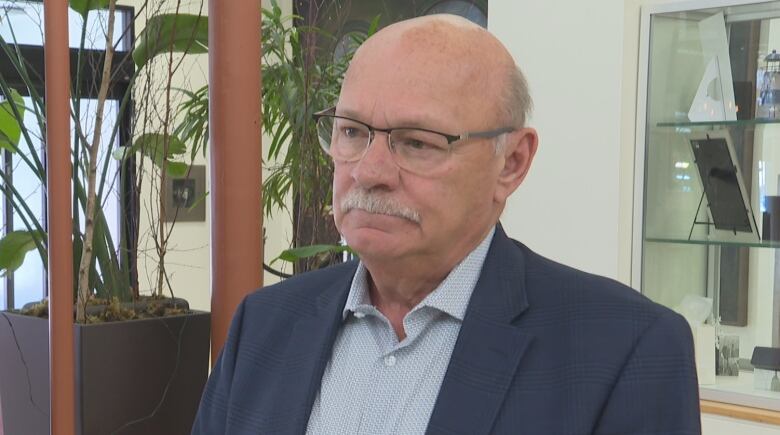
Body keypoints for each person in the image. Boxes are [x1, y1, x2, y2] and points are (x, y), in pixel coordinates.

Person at [192, 14, 701, 435]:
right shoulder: (264, 325)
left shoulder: (622, 351)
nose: (368, 172)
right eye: (351, 132)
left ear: (512, 163)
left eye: (416, 142)